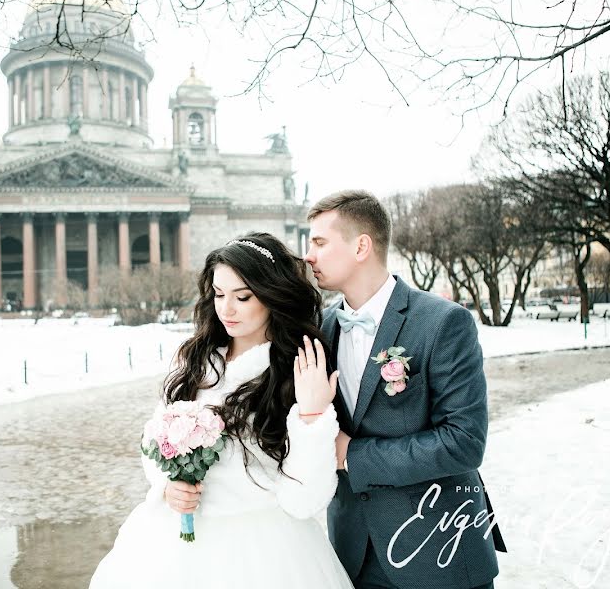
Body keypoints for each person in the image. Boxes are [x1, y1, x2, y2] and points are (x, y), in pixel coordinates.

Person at [89, 232, 354, 589]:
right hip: (172, 549)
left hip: (264, 554)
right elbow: (153, 442)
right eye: (218, 294)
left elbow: (305, 499)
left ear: (271, 296)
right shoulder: (197, 361)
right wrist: (168, 485)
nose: (226, 309)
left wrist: (312, 417)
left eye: (242, 297)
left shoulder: (296, 371)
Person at [304, 190, 505, 589]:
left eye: (319, 242)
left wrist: (352, 455)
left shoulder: (444, 322)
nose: (309, 255)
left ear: (362, 245)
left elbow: (464, 442)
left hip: (438, 550)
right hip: (352, 556)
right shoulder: (319, 331)